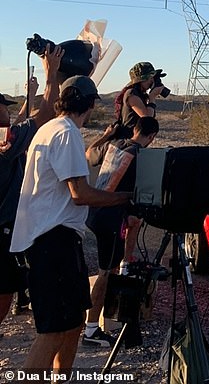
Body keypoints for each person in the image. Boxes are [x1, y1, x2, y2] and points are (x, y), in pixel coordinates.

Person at [10, 75, 133, 372]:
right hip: (52, 242)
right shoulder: (66, 133)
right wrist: (124, 198)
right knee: (53, 332)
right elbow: (79, 194)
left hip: (54, 240)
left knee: (73, 323)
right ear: (90, 104)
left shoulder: (50, 128)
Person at [0, 44, 64, 328]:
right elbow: (45, 115)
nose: (7, 111)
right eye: (4, 107)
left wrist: (32, 91)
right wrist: (52, 76)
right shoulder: (6, 143)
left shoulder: (6, 140)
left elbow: (20, 123)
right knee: (4, 288)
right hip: (1, 232)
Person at [83, 116, 159, 347]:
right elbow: (144, 193)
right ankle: (91, 329)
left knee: (111, 268)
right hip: (110, 218)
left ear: (135, 129)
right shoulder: (142, 157)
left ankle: (106, 318)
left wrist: (106, 134)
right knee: (106, 273)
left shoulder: (113, 145)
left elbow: (89, 153)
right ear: (152, 136)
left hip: (95, 214)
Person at [113, 62, 166, 139]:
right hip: (127, 139)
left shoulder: (140, 94)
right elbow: (147, 118)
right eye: (149, 78)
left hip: (136, 139)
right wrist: (152, 97)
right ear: (140, 80)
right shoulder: (131, 94)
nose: (151, 81)